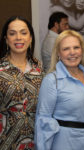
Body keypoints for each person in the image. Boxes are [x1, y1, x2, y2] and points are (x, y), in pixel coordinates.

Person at [34, 30, 84, 150]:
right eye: (66, 49)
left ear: (82, 50)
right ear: (58, 53)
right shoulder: (52, 81)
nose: (72, 52)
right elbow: (43, 122)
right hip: (66, 143)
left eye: (76, 47)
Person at [0, 16, 44, 150]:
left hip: (36, 142)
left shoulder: (39, 69)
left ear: (30, 38)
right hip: (6, 142)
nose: (18, 37)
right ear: (6, 39)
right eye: (12, 33)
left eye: (23, 33)